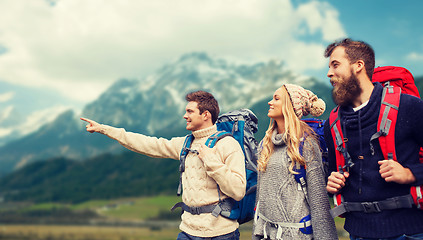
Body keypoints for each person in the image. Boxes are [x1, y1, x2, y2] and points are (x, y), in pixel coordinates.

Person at [81, 90, 246, 240]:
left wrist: (212, 162)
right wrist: (104, 129)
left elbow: (238, 191)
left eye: (190, 111)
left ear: (205, 115)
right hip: (188, 232)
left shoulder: (228, 144)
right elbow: (148, 144)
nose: (184, 115)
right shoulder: (185, 143)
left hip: (221, 234)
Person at [324, 38, 423, 239]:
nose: (329, 73)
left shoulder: (410, 107)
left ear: (358, 65)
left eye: (335, 65)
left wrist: (410, 173)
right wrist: (332, 181)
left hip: (409, 231)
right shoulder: (332, 124)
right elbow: (335, 172)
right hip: (359, 233)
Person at [252, 83, 338, 240]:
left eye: (276, 98)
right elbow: (261, 197)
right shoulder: (264, 144)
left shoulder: (307, 144)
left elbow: (318, 202)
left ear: (290, 106)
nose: (270, 102)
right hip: (266, 234)